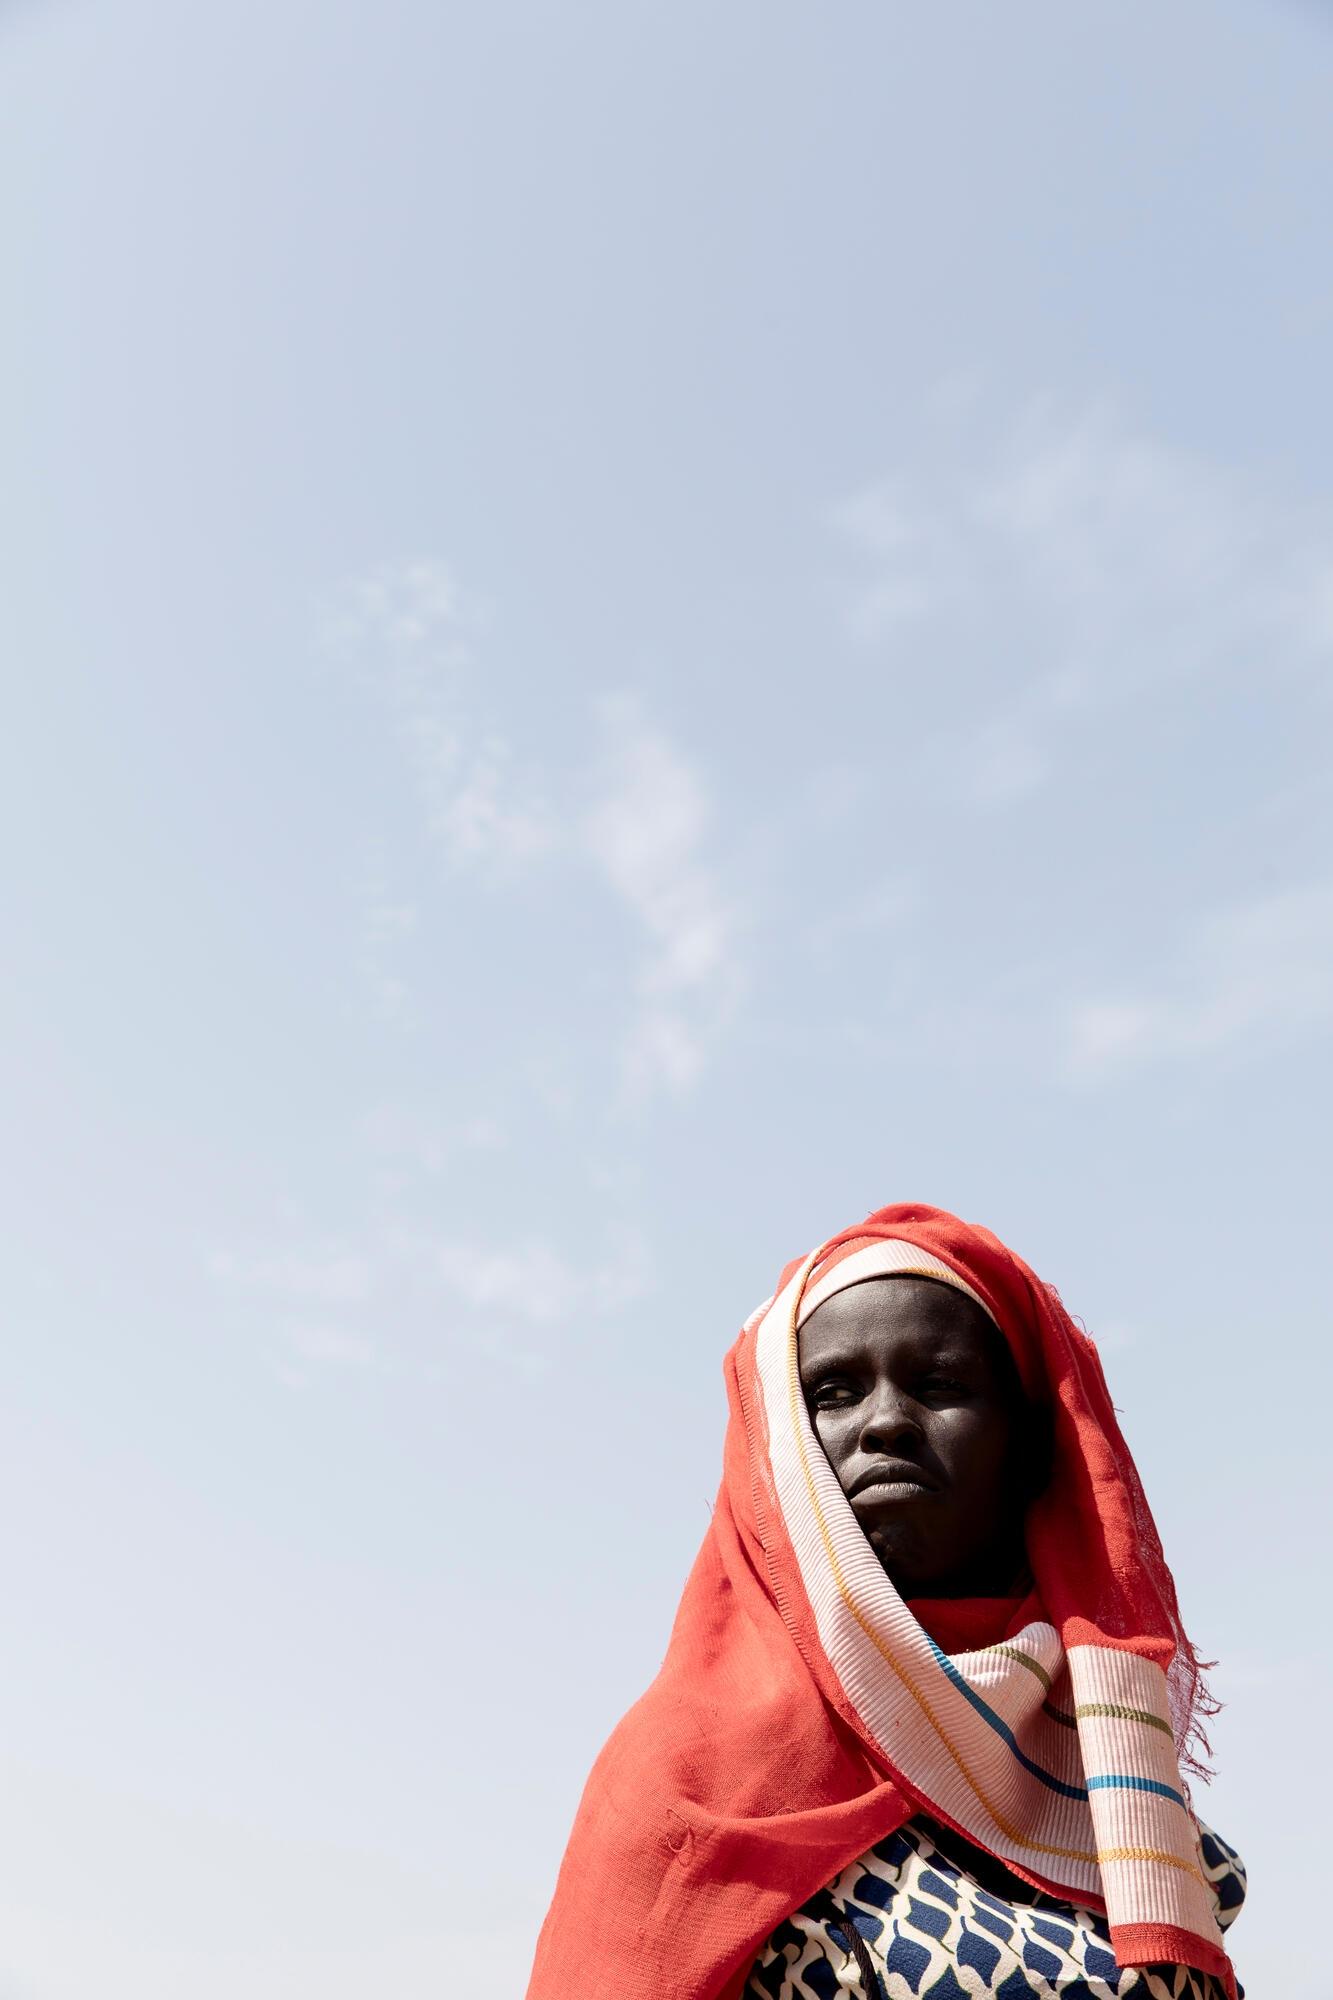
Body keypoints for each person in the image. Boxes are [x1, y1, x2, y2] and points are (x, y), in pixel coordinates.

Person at [526, 1203, 1245, 2000]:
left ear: (1029, 1447)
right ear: (779, 1453)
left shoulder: (1108, 1767)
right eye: (832, 1392)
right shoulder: (683, 1780)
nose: (885, 1424)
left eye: (938, 1383)